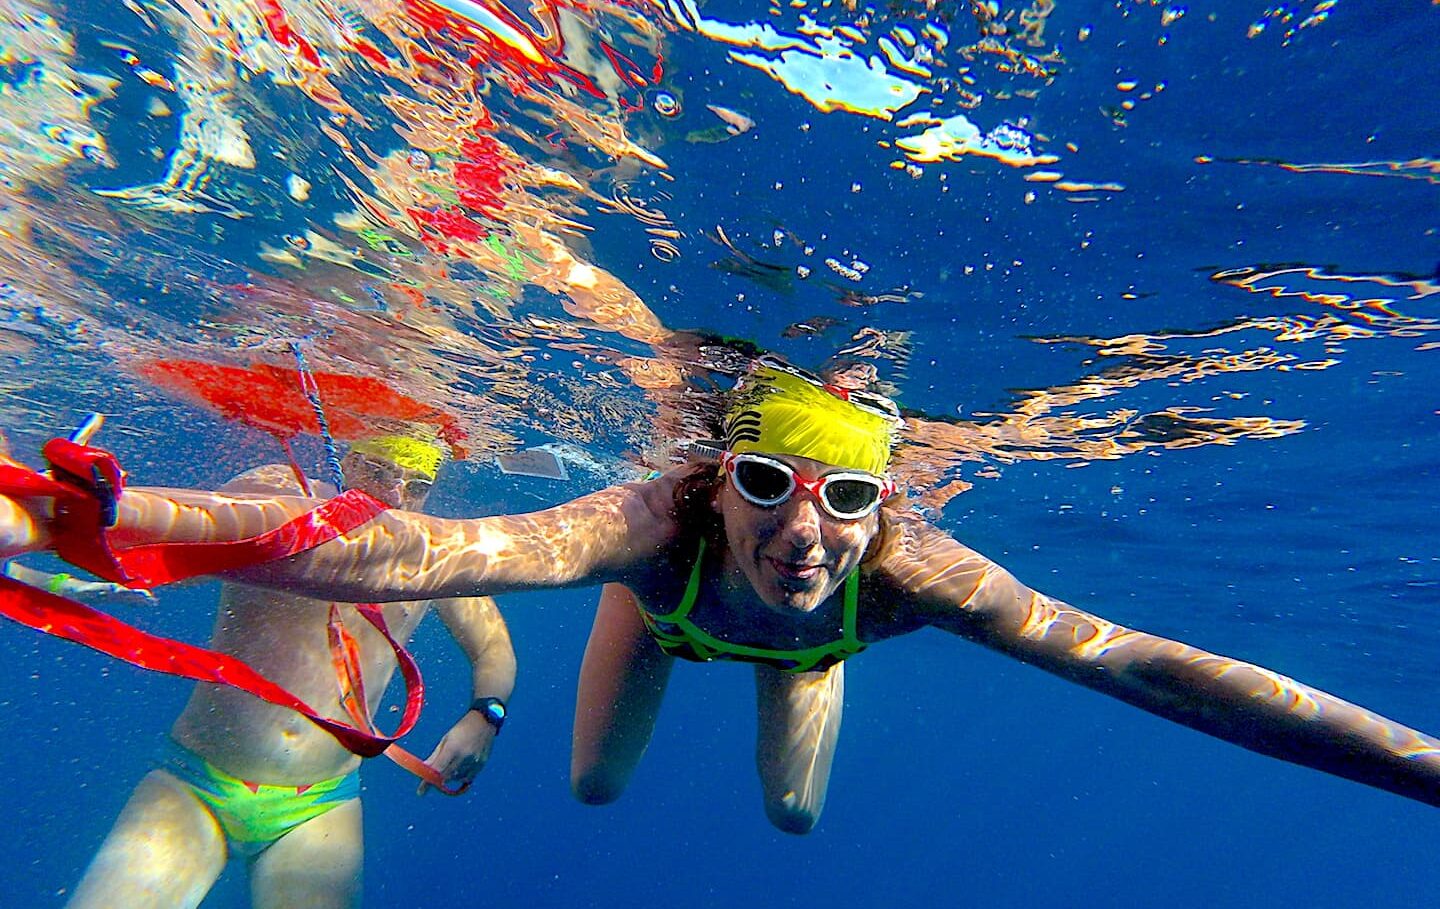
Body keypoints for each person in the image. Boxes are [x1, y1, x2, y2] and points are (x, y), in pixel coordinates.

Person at [5, 360, 1440, 838]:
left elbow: (1162, 668)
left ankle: (803, 663)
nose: (806, 527)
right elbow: (420, 548)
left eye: (847, 498)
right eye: (768, 484)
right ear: (718, 475)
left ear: (888, 506)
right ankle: (688, 627)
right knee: (594, 791)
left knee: (794, 813)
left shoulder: (920, 572)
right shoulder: (648, 517)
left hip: (807, 642)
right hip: (666, 602)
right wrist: (131, 515)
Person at [61, 435, 516, 908]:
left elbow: (493, 647)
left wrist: (486, 716)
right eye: (380, 473)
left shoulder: (431, 548)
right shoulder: (278, 493)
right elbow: (177, 528)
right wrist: (96, 507)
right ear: (348, 457)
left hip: (320, 805)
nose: (395, 498)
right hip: (195, 782)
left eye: (417, 486)